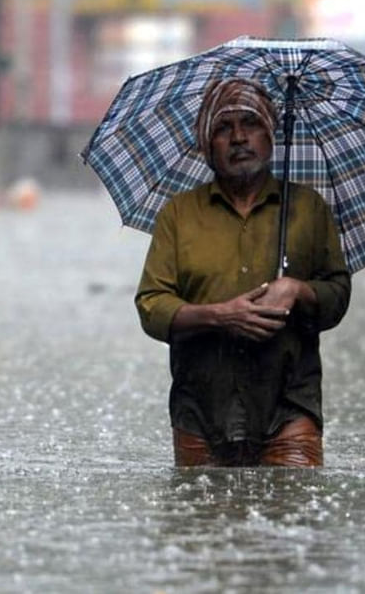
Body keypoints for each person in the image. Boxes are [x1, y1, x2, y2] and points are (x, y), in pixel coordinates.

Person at [135, 77, 351, 467]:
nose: (238, 138)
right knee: (202, 521)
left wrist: (298, 290)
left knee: (294, 517)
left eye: (250, 124)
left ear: (270, 136)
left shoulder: (308, 209)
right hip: (201, 409)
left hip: (289, 407)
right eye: (223, 128)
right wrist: (220, 316)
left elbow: (337, 296)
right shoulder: (179, 215)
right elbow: (152, 306)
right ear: (206, 145)